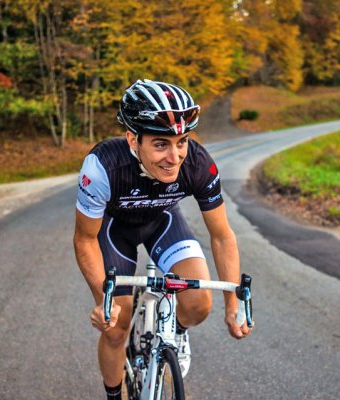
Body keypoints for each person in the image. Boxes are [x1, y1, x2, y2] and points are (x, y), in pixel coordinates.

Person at [73, 79, 252, 399]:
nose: (175, 156)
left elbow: (222, 236)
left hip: (162, 222)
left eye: (182, 141)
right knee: (116, 325)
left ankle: (173, 334)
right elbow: (85, 239)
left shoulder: (197, 162)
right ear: (132, 139)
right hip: (115, 231)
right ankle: (116, 395)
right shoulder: (102, 166)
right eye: (160, 144)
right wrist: (104, 300)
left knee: (199, 304)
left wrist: (232, 305)